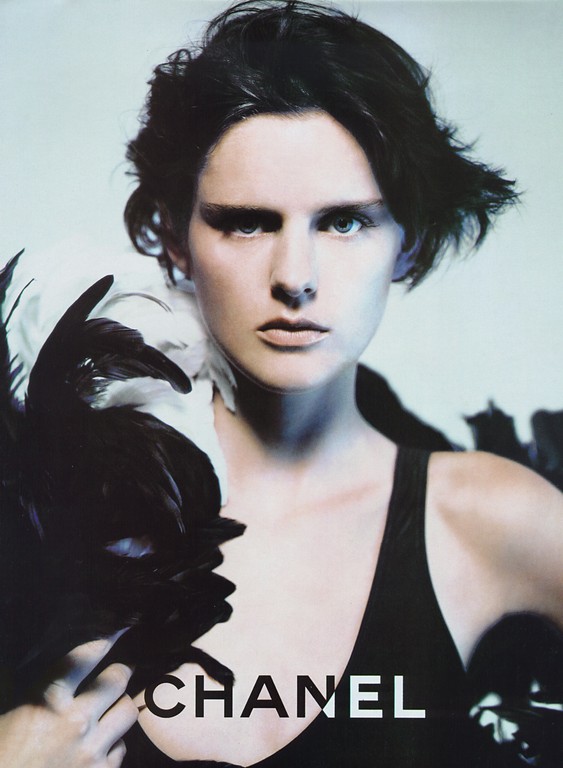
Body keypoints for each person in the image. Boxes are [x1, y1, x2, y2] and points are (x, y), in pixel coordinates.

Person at [1, 2, 562, 767]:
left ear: (409, 241)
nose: (295, 277)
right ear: (173, 236)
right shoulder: (50, 504)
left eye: (344, 222)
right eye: (246, 222)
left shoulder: (490, 521)